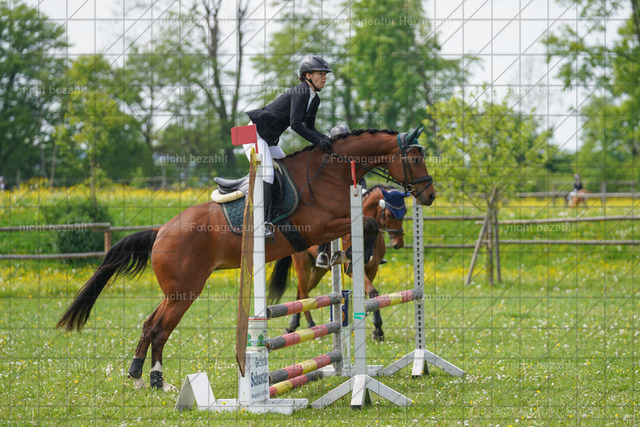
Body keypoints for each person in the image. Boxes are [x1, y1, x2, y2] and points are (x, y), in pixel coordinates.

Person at [245, 55, 333, 240]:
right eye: (320, 74)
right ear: (307, 75)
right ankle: (261, 223)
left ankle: (277, 213)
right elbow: (296, 125)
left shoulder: (314, 99)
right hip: (253, 134)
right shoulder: (301, 91)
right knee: (268, 174)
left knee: (289, 171)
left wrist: (328, 140)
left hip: (269, 140)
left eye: (325, 74)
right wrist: (319, 142)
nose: (324, 78)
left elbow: (310, 127)